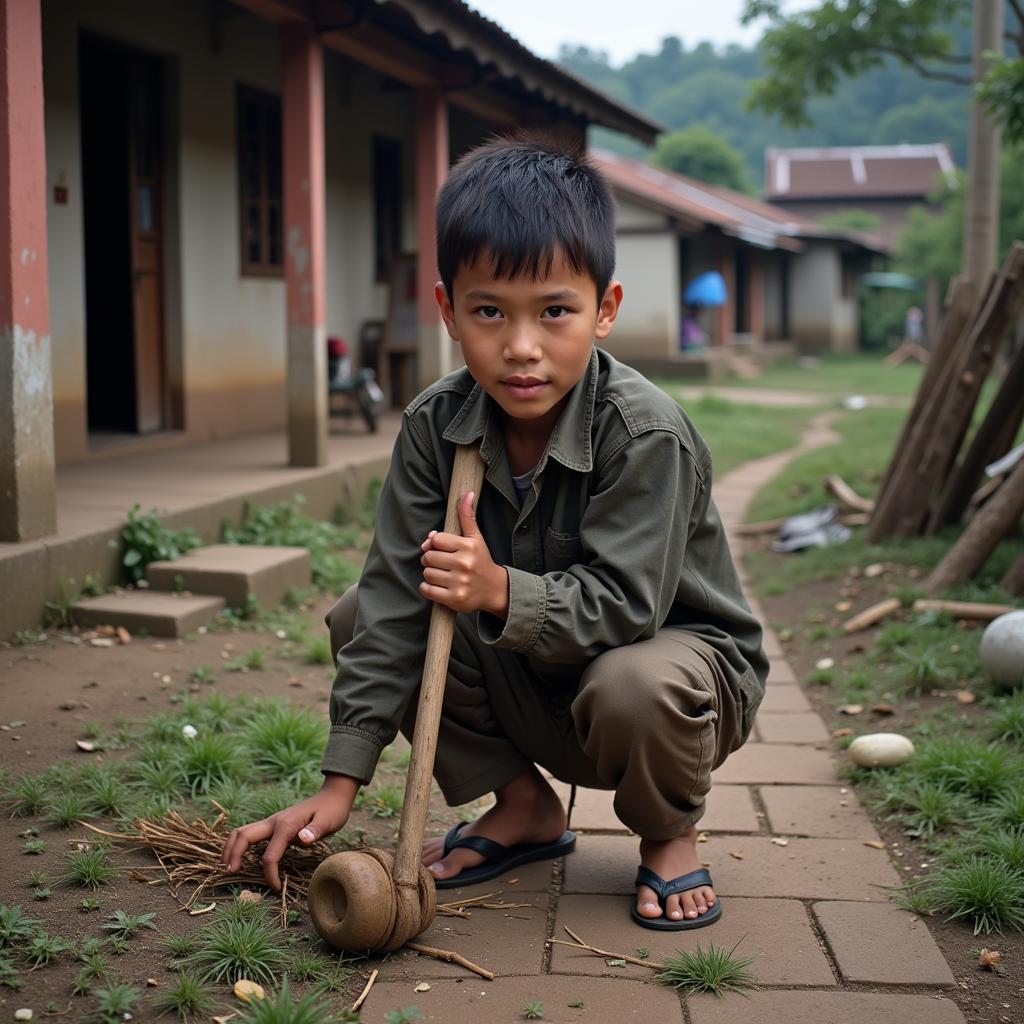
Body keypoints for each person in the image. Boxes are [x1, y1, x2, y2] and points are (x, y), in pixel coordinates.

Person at [220, 133, 768, 931]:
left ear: (604, 310)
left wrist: (500, 589)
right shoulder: (435, 427)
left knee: (632, 683)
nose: (520, 347)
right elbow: (390, 607)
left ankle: (668, 834)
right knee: (361, 613)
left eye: (555, 312)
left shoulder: (644, 432)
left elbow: (628, 607)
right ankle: (524, 808)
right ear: (448, 310)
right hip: (535, 681)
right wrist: (341, 783)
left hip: (670, 683)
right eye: (488, 312)